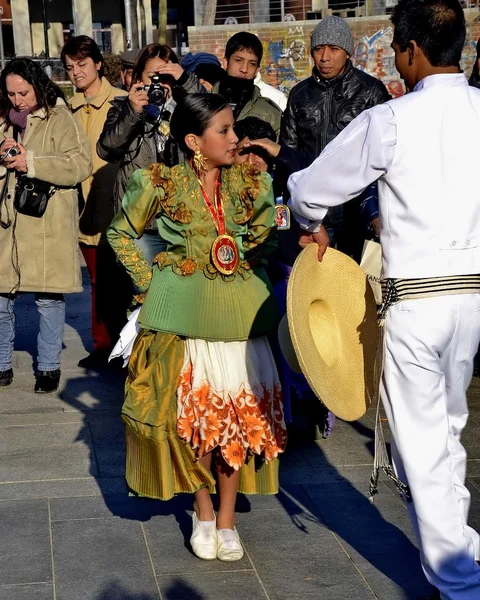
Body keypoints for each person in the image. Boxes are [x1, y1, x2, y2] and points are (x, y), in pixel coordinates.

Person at [288, 0, 480, 598]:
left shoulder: (392, 119)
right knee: (447, 430)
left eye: (397, 47)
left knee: (424, 444)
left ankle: (459, 582)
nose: (396, 60)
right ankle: (463, 558)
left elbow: (311, 185)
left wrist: (311, 219)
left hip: (417, 301)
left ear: (412, 51)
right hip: (471, 300)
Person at [107, 93, 286, 562]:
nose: (235, 139)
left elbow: (267, 237)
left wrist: (254, 272)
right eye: (224, 131)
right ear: (193, 141)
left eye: (234, 129)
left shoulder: (249, 181)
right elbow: (119, 233)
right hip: (187, 321)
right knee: (199, 423)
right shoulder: (160, 182)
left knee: (236, 422)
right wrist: (152, 284)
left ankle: (227, 518)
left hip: (240, 320)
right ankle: (203, 510)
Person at [0, 58, 92, 392]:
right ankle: (1, 364)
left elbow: (80, 165)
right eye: (10, 93)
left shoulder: (60, 116)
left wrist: (31, 162)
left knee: (49, 299)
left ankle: (49, 367)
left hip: (45, 223)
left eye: (23, 92)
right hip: (7, 225)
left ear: (38, 85)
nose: (17, 100)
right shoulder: (3, 120)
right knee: (0, 297)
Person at [281, 16, 390, 262]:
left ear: (347, 52)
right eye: (319, 49)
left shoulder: (371, 92)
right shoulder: (299, 96)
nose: (325, 57)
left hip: (358, 218)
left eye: (334, 49)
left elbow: (385, 160)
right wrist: (298, 217)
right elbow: (288, 158)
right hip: (312, 218)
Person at [61, 36, 132, 369]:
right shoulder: (67, 109)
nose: (76, 73)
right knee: (98, 281)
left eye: (82, 64)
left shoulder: (123, 101)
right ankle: (103, 344)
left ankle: (130, 343)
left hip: (121, 205)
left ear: (98, 64)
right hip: (85, 208)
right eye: (70, 67)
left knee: (129, 279)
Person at [98, 44, 180, 266]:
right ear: (138, 79)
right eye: (152, 77)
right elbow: (106, 149)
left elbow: (213, 118)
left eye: (165, 77)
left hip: (182, 221)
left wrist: (186, 82)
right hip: (140, 223)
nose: (158, 85)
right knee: (145, 295)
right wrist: (133, 113)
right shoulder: (122, 108)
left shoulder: (187, 108)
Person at [156, 32, 283, 137]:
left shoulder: (269, 112)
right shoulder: (207, 100)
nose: (244, 69)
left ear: (257, 69)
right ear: (226, 62)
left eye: (252, 64)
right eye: (238, 60)